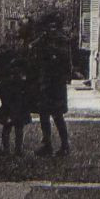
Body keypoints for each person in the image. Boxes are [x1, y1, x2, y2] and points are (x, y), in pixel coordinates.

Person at [30, 12, 73, 157]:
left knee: (57, 115)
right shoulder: (43, 40)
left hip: (56, 83)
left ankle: (65, 144)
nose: (51, 29)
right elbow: (33, 50)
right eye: (49, 26)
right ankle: (47, 144)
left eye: (54, 26)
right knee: (44, 114)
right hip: (45, 82)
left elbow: (66, 63)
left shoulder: (62, 41)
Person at [0, 23, 34, 156]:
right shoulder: (17, 83)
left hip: (10, 109)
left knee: (9, 128)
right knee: (14, 129)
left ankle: (10, 149)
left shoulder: (7, 83)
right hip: (16, 109)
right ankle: (15, 149)